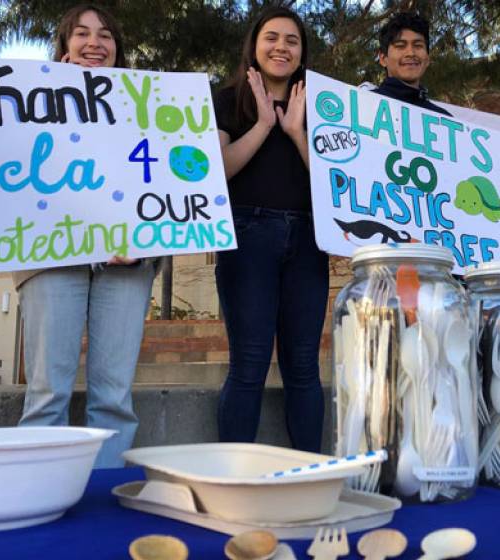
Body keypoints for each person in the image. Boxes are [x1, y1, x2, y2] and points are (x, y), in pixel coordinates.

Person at [15, 4, 157, 468]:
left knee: (114, 395)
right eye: (82, 34)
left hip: (127, 267)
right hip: (51, 260)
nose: (95, 43)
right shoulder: (25, 101)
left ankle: (105, 496)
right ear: (63, 46)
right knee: (45, 393)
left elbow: (163, 182)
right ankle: (34, 491)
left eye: (106, 35)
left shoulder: (149, 105)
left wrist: (141, 247)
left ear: (118, 49)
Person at [213, 7, 327, 452]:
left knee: (303, 366)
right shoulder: (225, 99)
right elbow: (216, 170)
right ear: (254, 45)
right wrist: (263, 124)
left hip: (307, 240)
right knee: (249, 363)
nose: (282, 47)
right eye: (272, 38)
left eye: (292, 40)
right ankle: (232, 476)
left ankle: (309, 473)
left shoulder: (321, 105)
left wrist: (297, 132)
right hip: (247, 234)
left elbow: (336, 183)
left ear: (302, 52)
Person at [373, 12, 450, 116]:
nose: (411, 53)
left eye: (418, 46)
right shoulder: (362, 105)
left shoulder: (444, 120)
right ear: (383, 58)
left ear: (427, 59)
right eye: (400, 46)